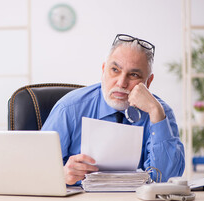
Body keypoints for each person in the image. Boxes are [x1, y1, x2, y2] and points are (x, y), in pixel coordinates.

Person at [41, 34, 185, 185]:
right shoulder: (68, 109)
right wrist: (60, 175)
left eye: (134, 74)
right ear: (103, 70)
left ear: (148, 82)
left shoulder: (161, 113)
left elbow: (165, 181)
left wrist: (156, 113)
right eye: (115, 70)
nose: (122, 82)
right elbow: (35, 171)